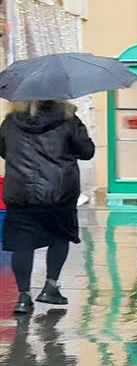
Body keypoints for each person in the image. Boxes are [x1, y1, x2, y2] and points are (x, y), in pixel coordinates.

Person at [0, 100, 96, 316]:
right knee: (59, 237)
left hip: (20, 192)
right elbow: (87, 152)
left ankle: (23, 297)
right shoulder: (68, 120)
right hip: (59, 191)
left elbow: (3, 150)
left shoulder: (10, 122)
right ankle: (51, 286)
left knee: (22, 244)